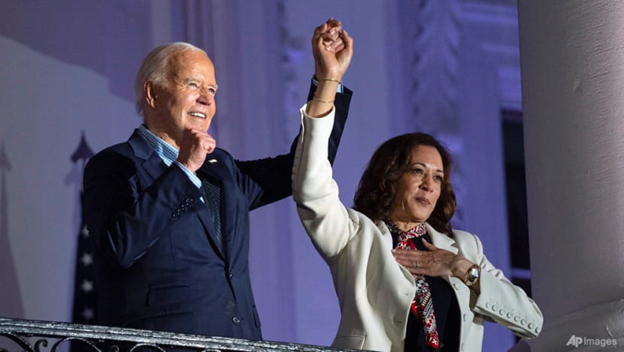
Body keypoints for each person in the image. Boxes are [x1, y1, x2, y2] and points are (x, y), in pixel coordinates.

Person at [83, 19, 352, 340]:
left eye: (211, 89)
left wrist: (328, 80)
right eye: (193, 85)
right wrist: (183, 169)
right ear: (153, 93)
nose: (206, 99)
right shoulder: (115, 164)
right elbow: (119, 248)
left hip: (240, 343)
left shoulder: (219, 167)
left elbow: (302, 169)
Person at [292, 27, 543, 352]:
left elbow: (532, 322)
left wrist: (460, 268)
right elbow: (311, 187)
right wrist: (328, 81)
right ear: (391, 177)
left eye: (438, 177)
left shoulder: (465, 249)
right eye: (418, 171)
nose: (429, 184)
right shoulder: (357, 237)